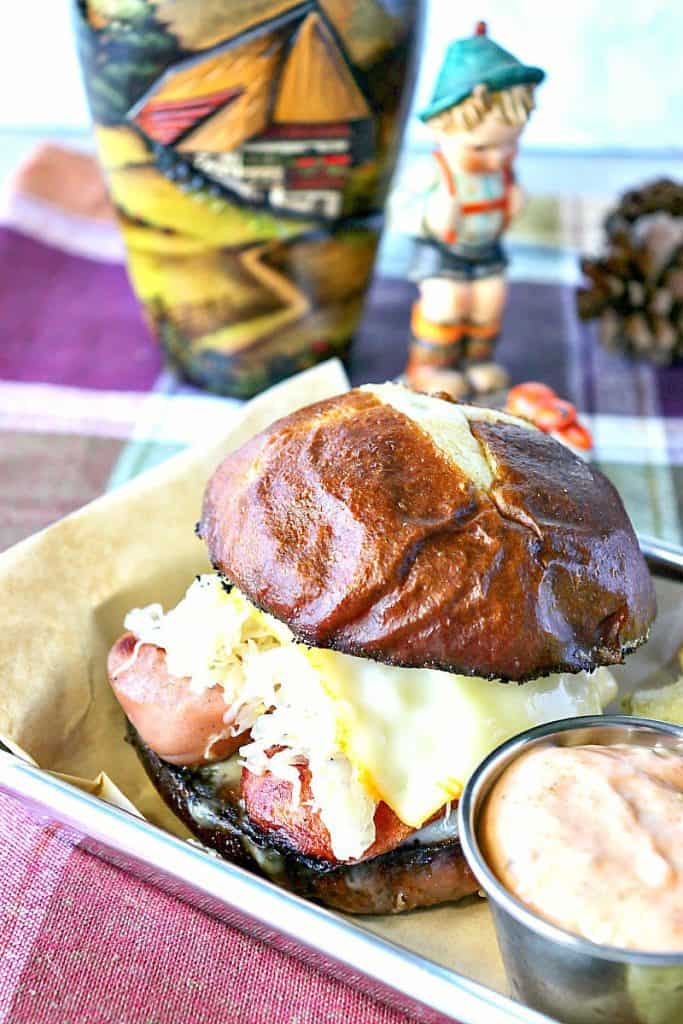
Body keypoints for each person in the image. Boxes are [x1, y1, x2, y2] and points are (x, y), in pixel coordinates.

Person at [406, 22, 544, 397]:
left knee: (489, 300)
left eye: (509, 145)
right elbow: (400, 210)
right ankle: (432, 367)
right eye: (482, 149)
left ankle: (477, 361)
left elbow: (500, 209)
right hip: (443, 252)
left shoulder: (502, 172)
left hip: (486, 251)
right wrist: (431, 214)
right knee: (448, 303)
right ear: (441, 128)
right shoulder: (433, 172)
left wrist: (514, 204)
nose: (497, 157)